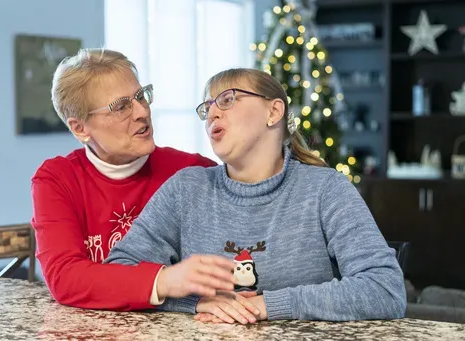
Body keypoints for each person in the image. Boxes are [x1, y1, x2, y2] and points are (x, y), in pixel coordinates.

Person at [105, 68, 407, 323]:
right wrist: (193, 302)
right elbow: (116, 274)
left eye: (227, 99)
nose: (212, 112)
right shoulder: (186, 188)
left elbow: (384, 288)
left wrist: (267, 305)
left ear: (273, 111)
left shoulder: (326, 189)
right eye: (207, 106)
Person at [31, 48, 237, 311]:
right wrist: (163, 280)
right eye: (121, 107)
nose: (142, 111)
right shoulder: (57, 179)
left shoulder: (192, 171)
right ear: (80, 128)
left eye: (141, 96)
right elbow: (66, 278)